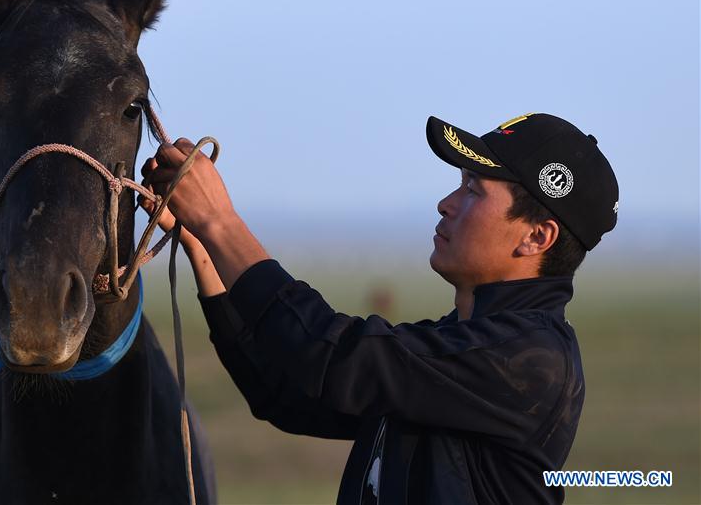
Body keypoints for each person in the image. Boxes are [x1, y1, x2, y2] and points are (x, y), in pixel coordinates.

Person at [141, 113, 618, 505]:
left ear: (537, 236)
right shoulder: (463, 345)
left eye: (473, 190)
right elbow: (289, 394)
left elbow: (332, 358)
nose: (446, 203)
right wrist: (203, 246)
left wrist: (220, 222)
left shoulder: (529, 360)